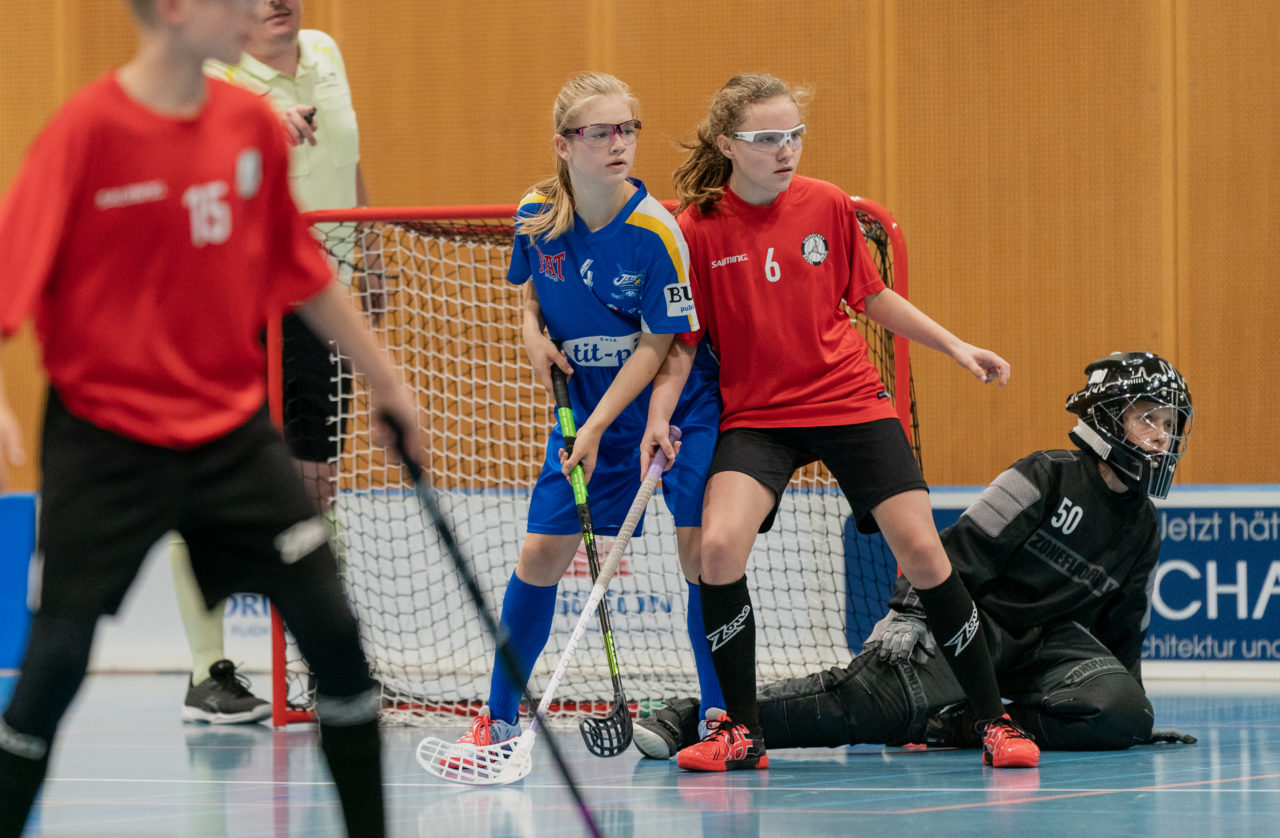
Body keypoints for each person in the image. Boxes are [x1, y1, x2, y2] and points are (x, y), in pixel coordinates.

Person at [0, 2, 421, 838]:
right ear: (176, 8)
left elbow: (297, 267)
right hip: (106, 436)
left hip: (230, 433)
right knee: (53, 663)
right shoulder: (87, 131)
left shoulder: (245, 127)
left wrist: (387, 380)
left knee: (337, 640)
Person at [663, 73, 1036, 773]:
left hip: (849, 401)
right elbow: (684, 341)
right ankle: (741, 730)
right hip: (759, 416)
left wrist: (956, 345)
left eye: (794, 135)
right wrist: (660, 416)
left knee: (925, 552)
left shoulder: (828, 205)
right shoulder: (696, 228)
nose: (785, 150)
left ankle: (995, 719)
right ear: (726, 144)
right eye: (767, 138)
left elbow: (870, 294)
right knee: (716, 549)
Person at [637, 353, 1198, 758]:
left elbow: (1123, 629)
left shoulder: (1143, 526)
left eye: (1170, 425)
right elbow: (957, 552)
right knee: (859, 709)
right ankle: (693, 714)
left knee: (1123, 711)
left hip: (1045, 651)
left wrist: (1132, 713)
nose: (1161, 437)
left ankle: (958, 724)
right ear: (1106, 417)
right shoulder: (1046, 474)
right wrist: (910, 611)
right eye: (1147, 418)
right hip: (964, 629)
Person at [446, 71, 726, 757]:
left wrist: (602, 425)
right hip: (581, 403)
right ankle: (500, 717)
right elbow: (530, 297)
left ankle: (722, 716)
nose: (618, 142)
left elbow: (662, 344)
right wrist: (532, 336)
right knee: (541, 552)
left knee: (699, 555)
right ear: (564, 145)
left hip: (670, 405)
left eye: (627, 128)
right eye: (600, 131)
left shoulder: (655, 232)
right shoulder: (537, 213)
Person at [173, 0, 382, 724]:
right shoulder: (211, 71)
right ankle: (209, 669)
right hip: (243, 302)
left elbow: (347, 157)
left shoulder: (325, 51)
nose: (274, 1)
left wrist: (374, 245)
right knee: (214, 483)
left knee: (318, 480)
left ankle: (332, 663)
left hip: (325, 298)